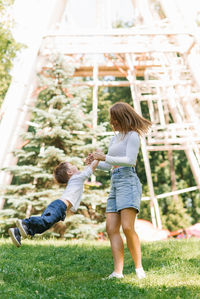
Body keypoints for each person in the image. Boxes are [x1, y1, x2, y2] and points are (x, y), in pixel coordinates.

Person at [87, 102, 152, 280]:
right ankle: (118, 272)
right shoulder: (114, 139)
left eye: (114, 118)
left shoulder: (132, 136)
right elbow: (109, 165)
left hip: (128, 181)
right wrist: (96, 161)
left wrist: (104, 156)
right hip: (115, 181)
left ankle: (139, 269)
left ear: (123, 117)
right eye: (111, 119)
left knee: (127, 227)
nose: (112, 122)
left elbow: (130, 160)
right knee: (111, 228)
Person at [8, 159, 99, 247]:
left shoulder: (76, 178)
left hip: (60, 208)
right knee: (45, 221)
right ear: (69, 172)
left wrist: (89, 162)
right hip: (59, 206)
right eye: (72, 165)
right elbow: (90, 170)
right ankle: (26, 223)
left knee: (43, 226)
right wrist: (97, 158)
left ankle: (17, 232)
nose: (75, 165)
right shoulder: (77, 178)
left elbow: (86, 169)